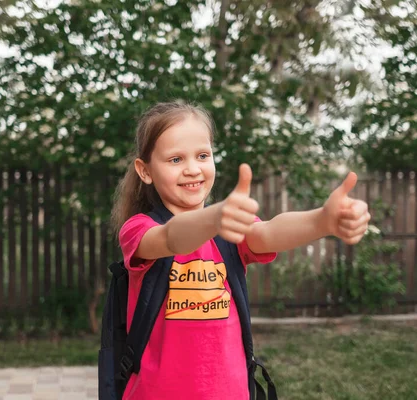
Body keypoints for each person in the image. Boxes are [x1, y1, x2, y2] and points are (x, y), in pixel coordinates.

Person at [110, 101, 370, 400]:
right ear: (145, 171)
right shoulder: (139, 229)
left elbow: (268, 232)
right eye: (176, 159)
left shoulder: (229, 228)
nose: (193, 168)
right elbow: (172, 238)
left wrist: (322, 221)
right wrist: (216, 216)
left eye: (203, 155)